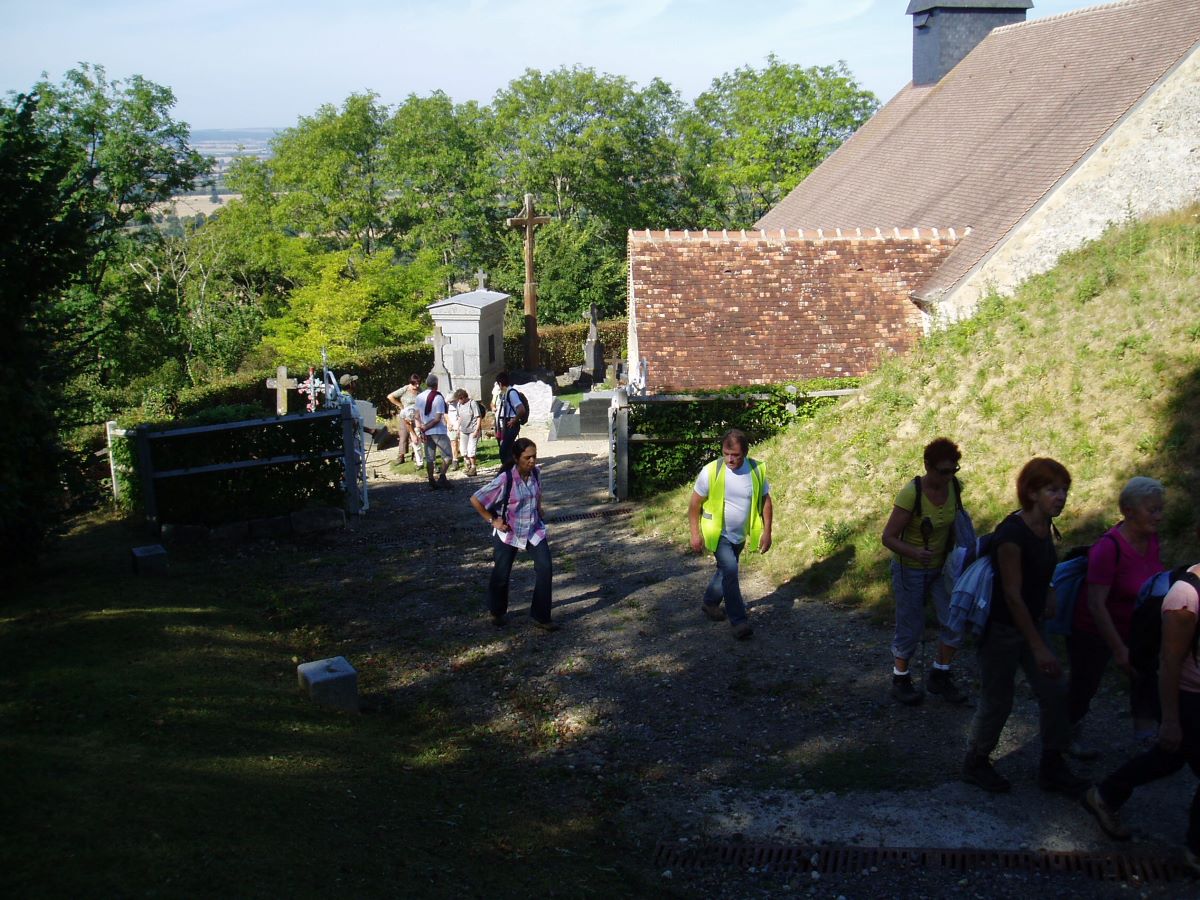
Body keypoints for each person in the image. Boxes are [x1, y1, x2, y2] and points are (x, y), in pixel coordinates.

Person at [962, 457, 1087, 796]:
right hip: (1002, 631)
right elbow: (1012, 595)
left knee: (1055, 690)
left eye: (1064, 490)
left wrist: (1047, 590)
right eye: (1052, 490)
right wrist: (1038, 646)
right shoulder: (1011, 536)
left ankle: (1052, 765)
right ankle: (976, 761)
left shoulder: (1045, 524)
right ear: (1031, 493)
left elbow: (1040, 569)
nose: (1061, 497)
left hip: (1031, 625)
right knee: (998, 699)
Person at [1082, 561, 1200, 875]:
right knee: (1173, 751)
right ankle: (1196, 850)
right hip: (1186, 697)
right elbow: (1169, 663)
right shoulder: (1185, 598)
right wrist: (1171, 720)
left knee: (1170, 757)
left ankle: (1105, 794)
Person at [1067, 477, 1165, 758]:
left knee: (1145, 676)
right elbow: (1096, 605)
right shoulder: (1108, 548)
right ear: (1128, 510)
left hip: (1135, 626)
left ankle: (1145, 736)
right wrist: (1119, 649)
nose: (1159, 517)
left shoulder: (1151, 538)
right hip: (1093, 630)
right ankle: (1062, 738)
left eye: (1160, 509)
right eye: (1152, 510)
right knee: (1084, 685)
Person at [880, 438, 969, 706]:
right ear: (927, 466)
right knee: (911, 625)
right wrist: (914, 552)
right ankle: (901, 678)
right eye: (943, 471)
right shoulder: (911, 494)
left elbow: (955, 522)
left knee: (954, 619)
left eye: (954, 469)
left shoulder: (953, 486)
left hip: (942, 568)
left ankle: (939, 675)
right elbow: (888, 537)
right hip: (910, 569)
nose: (949, 476)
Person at [687, 429, 773, 640]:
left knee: (725, 571)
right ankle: (739, 621)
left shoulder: (756, 469)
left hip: (740, 535)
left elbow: (765, 501)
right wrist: (695, 534)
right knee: (731, 571)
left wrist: (767, 531)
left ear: (745, 453)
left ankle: (710, 603)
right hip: (718, 534)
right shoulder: (711, 471)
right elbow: (694, 505)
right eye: (727, 453)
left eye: (736, 455)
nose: (730, 459)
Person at [469, 437, 558, 631]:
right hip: (509, 532)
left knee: (545, 568)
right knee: (502, 573)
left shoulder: (536, 473)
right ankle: (497, 611)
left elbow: (538, 492)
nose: (532, 461)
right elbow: (476, 499)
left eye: (534, 456)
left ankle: (541, 616)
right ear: (517, 458)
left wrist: (539, 508)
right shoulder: (505, 479)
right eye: (527, 457)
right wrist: (493, 520)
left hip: (534, 529)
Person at [415, 374, 452, 489]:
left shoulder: (419, 397)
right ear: (436, 384)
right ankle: (442, 476)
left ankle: (431, 479)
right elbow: (437, 419)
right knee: (448, 455)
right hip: (438, 430)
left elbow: (416, 415)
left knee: (430, 457)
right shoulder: (438, 397)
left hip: (426, 431)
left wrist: (421, 429)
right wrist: (425, 428)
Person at [387, 374, 423, 464]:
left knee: (416, 436)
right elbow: (390, 396)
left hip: (416, 416)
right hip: (405, 416)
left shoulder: (420, 390)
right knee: (403, 436)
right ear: (411, 383)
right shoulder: (405, 389)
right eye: (415, 384)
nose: (417, 386)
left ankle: (415, 454)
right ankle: (401, 456)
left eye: (418, 383)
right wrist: (399, 405)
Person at [494, 371, 527, 469]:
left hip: (512, 424)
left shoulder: (511, 393)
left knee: (504, 450)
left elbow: (521, 409)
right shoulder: (506, 393)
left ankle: (509, 469)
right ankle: (514, 468)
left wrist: (514, 420)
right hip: (507, 423)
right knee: (509, 448)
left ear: (500, 383)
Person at [453, 389, 484, 477]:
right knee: (463, 450)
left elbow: (478, 417)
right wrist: (458, 428)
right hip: (463, 430)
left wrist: (476, 430)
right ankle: (468, 466)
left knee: (471, 450)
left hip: (472, 430)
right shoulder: (459, 404)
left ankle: (473, 468)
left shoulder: (472, 403)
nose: (458, 401)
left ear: (462, 397)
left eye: (459, 399)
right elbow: (459, 417)